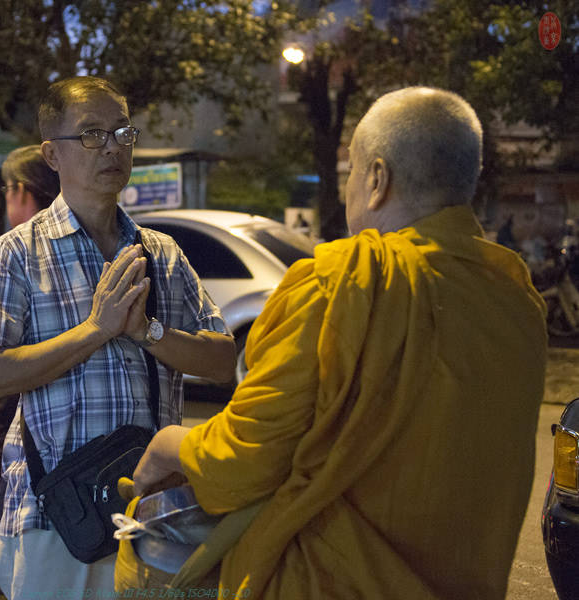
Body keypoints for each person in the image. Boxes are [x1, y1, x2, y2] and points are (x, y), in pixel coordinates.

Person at [133, 87, 547, 600]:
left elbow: (241, 461)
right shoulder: (515, 297)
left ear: (376, 179)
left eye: (351, 171)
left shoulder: (341, 283)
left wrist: (167, 445)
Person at [0, 75, 235, 600]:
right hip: (56, 515)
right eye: (90, 134)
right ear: (52, 154)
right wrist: (95, 331)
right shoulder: (16, 253)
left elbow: (222, 361)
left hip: (152, 513)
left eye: (121, 132)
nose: (111, 147)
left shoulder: (163, 253)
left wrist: (148, 332)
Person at [0, 144, 61, 593]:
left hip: (10, 422)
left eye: (7, 189)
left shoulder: (10, 253)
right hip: (59, 435)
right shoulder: (80, 246)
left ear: (21, 191)